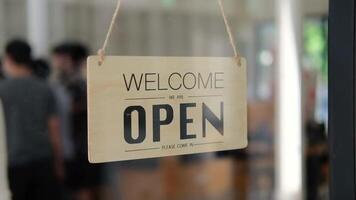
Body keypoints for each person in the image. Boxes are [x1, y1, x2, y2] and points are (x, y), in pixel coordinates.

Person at [0, 40, 64, 200]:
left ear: (8, 58)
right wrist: (58, 163)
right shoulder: (45, 88)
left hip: (13, 162)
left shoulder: (2, 90)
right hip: (43, 160)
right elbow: (54, 127)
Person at [52, 43, 103, 200]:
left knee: (85, 188)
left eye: (59, 58)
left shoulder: (82, 82)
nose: (56, 62)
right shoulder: (64, 81)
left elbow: (77, 107)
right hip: (74, 146)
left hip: (82, 146)